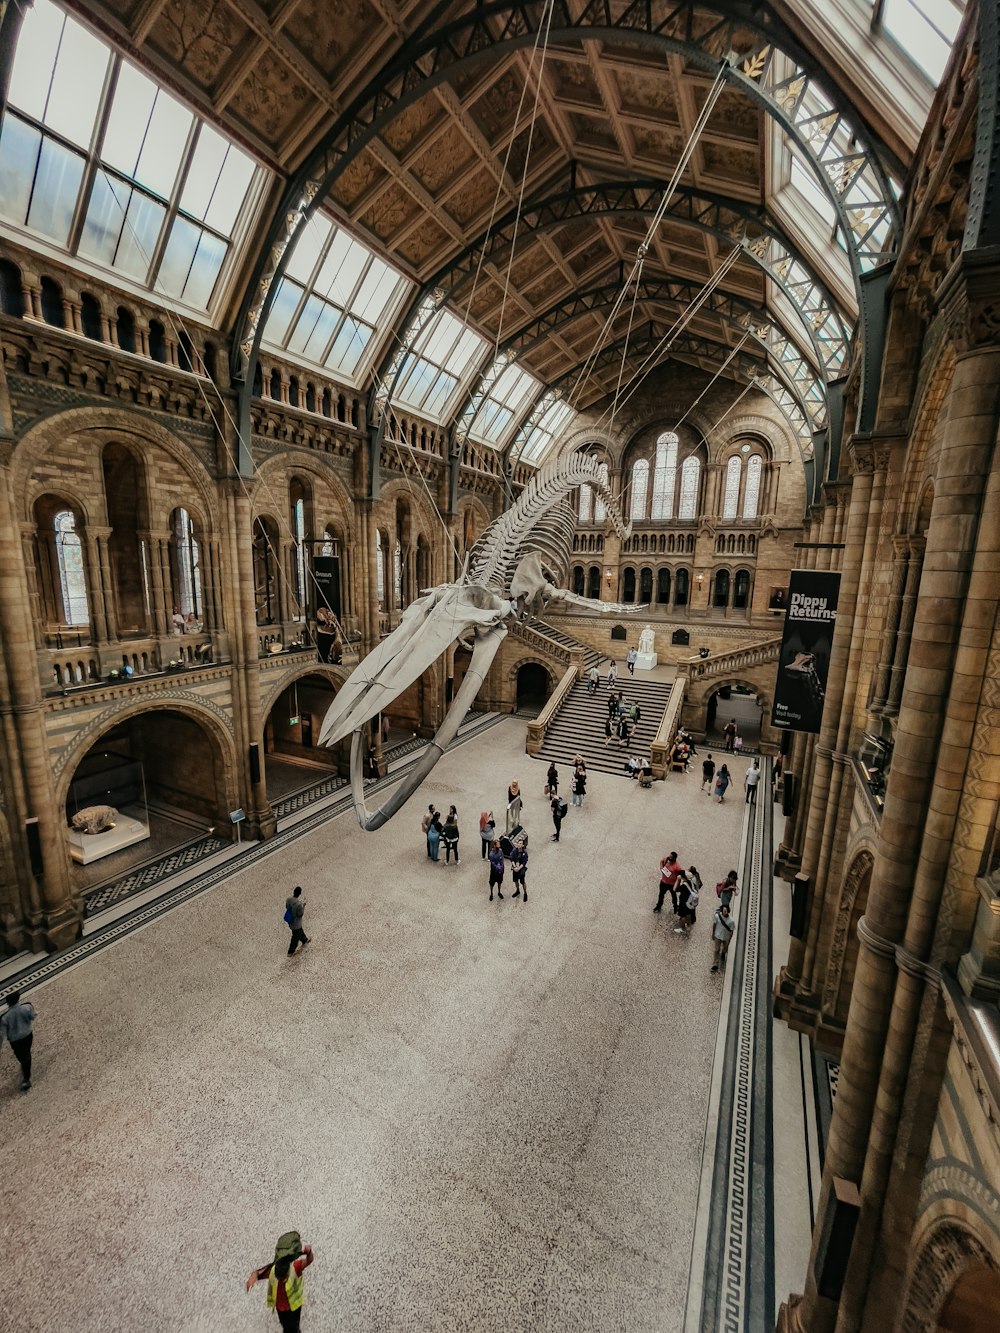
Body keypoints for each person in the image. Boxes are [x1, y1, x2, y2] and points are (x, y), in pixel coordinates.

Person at [247, 1240, 315, 1331]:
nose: (281, 1280)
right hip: (281, 1307)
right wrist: (252, 1278)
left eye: (283, 1278)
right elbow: (257, 1273)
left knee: (294, 1325)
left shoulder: (296, 1267)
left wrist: (309, 1252)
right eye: (278, 1278)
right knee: (287, 1326)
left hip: (295, 1305)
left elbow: (309, 1260)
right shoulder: (272, 1270)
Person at [1, 990, 36, 1092]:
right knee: (26, 1053)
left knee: (22, 1056)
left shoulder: (4, 1018)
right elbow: (32, 1017)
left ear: (8, 1003)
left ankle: (26, 1079)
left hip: (15, 1041)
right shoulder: (27, 1007)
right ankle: (26, 1070)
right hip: (27, 1035)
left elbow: (1, 1034)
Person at [285, 886, 310, 956]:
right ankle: (290, 952)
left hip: (290, 920)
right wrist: (304, 906)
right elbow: (300, 914)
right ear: (299, 894)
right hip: (296, 923)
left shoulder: (288, 899)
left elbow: (287, 907)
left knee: (299, 931)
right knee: (295, 937)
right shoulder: (299, 904)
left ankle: (304, 940)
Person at [711, 904, 735, 972]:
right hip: (718, 935)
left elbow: (731, 931)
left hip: (725, 937)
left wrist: (729, 940)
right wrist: (713, 934)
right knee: (716, 949)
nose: (725, 912)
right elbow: (714, 925)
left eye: (726, 911)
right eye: (724, 910)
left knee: (725, 948)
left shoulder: (731, 921)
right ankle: (715, 963)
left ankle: (723, 953)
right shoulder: (717, 916)